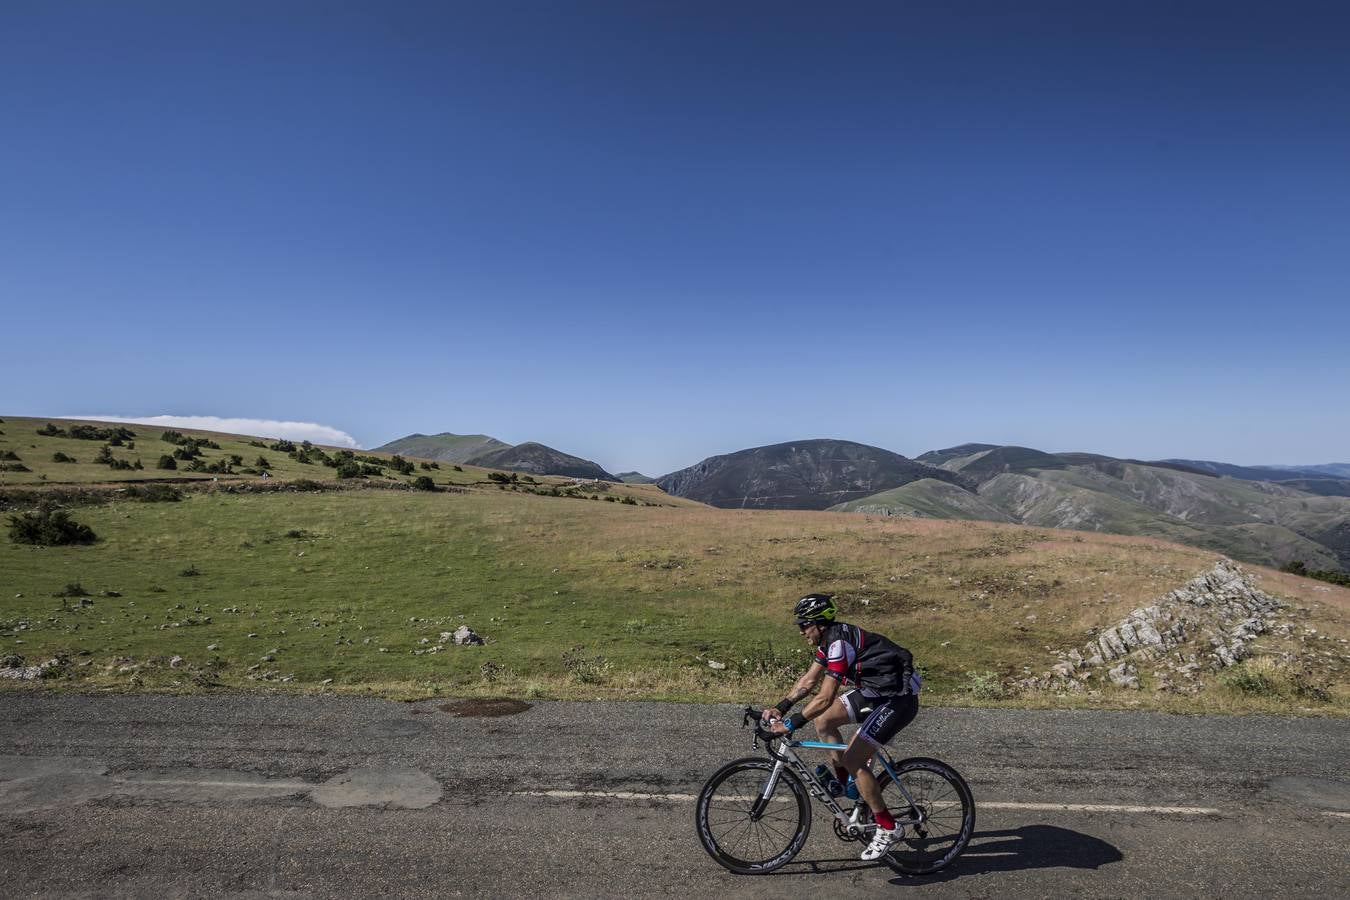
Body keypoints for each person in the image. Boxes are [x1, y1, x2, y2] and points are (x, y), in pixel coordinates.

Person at [762, 592, 920, 862]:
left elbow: (824, 697)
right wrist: (781, 707)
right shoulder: (828, 641)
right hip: (875, 691)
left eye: (803, 625)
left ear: (819, 623)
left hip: (898, 699)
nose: (801, 631)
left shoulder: (838, 643)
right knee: (824, 722)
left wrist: (791, 724)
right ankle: (848, 785)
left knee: (855, 758)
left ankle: (888, 826)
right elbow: (808, 681)